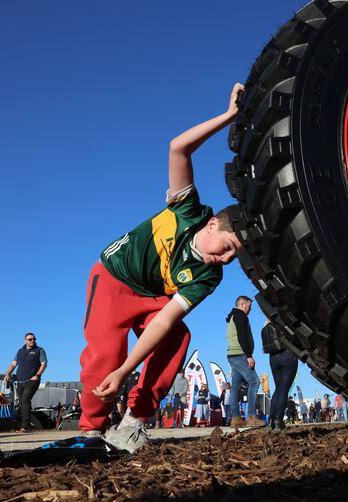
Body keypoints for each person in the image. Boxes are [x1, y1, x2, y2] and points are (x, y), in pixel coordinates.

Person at [78, 84, 245, 453]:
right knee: (106, 356)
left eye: (235, 257)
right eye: (228, 248)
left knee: (176, 337)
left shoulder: (209, 276)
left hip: (153, 297)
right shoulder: (188, 209)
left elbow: (164, 320)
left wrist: (128, 374)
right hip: (114, 279)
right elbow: (178, 147)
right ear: (212, 225)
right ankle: (90, 429)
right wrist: (229, 117)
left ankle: (132, 424)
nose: (228, 259)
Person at [226, 296, 264, 428]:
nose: (250, 309)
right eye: (249, 306)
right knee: (254, 382)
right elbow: (242, 336)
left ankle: (236, 418)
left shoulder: (233, 316)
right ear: (242, 304)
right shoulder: (240, 315)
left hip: (233, 355)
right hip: (240, 355)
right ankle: (252, 417)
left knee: (235, 388)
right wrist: (249, 356)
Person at [3, 332, 47, 432]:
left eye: (34, 339)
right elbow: (13, 364)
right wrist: (7, 374)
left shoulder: (39, 350)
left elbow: (44, 364)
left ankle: (25, 427)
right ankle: (29, 424)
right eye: (30, 339)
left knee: (25, 400)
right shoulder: (20, 351)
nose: (32, 341)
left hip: (32, 381)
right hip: (20, 381)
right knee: (22, 403)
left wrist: (38, 375)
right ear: (25, 340)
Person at [262, 320, 297, 431]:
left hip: (273, 358)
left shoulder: (266, 323)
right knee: (283, 389)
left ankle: (271, 421)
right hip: (287, 354)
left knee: (278, 388)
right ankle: (279, 420)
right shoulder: (283, 319)